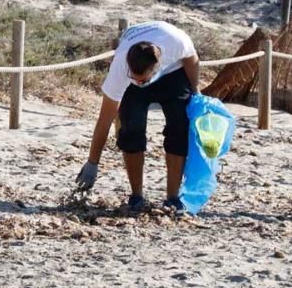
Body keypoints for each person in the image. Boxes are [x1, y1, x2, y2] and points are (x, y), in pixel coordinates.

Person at [74, 21, 200, 214]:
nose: (138, 82)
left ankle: (172, 197)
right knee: (131, 128)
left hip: (173, 72)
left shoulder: (176, 42)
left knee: (179, 126)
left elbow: (192, 59)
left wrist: (195, 92)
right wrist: (92, 163)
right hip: (137, 72)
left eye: (142, 80)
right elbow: (105, 119)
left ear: (156, 67)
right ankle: (136, 196)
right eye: (134, 77)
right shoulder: (121, 70)